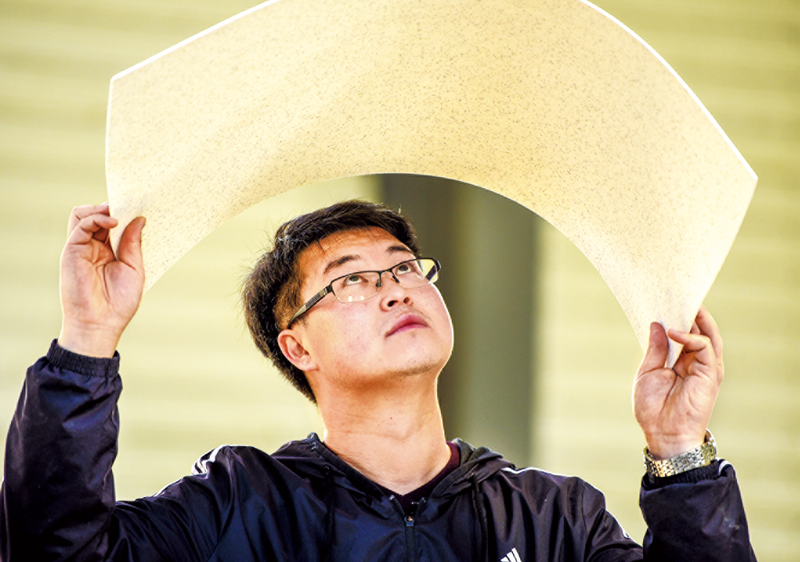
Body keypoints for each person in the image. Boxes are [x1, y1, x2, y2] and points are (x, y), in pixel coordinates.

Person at [1, 200, 755, 561]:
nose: (395, 288)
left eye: (403, 268)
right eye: (351, 281)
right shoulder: (236, 507)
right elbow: (57, 553)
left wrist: (680, 450)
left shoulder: (554, 520)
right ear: (297, 346)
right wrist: (87, 340)